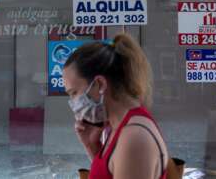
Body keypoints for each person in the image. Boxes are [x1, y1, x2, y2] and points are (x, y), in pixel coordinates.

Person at [63, 34, 169, 179]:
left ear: (100, 84)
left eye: (74, 93)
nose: (73, 102)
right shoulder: (119, 127)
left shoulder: (133, 138)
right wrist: (92, 147)